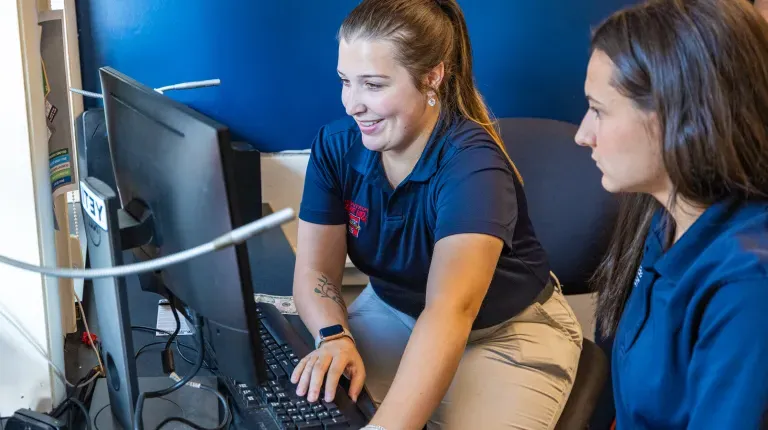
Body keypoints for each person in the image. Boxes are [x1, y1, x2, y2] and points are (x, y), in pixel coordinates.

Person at [290, 0, 583, 428]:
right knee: (313, 407)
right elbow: (315, 268)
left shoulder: (473, 166)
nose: (352, 104)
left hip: (503, 333)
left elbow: (449, 312)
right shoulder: (336, 147)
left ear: (433, 76)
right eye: (345, 81)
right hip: (394, 313)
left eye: (373, 85)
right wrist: (333, 336)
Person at [575, 0, 768, 428]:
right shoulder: (665, 218)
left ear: (676, 113)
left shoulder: (747, 288)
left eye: (599, 110)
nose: (582, 135)